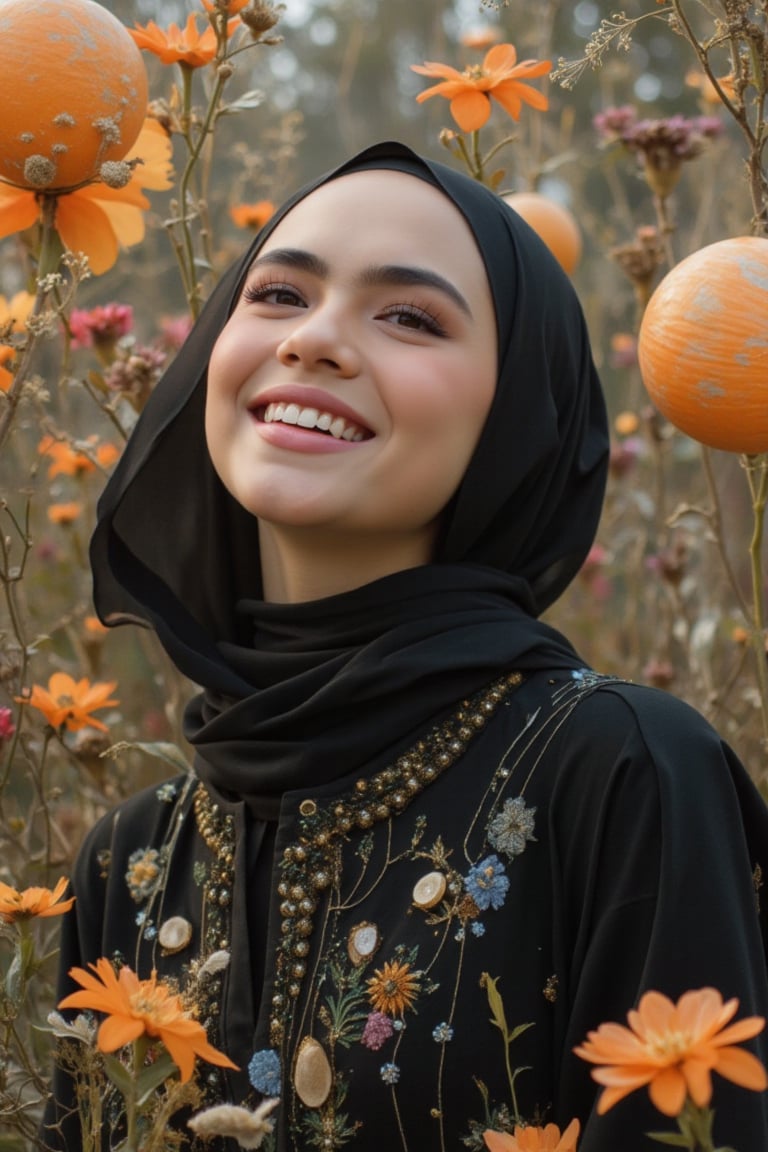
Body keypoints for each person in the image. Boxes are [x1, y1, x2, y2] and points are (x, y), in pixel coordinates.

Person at [47, 141, 768, 1152]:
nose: (318, 340)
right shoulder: (129, 856)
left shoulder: (620, 772)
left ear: (517, 415)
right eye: (279, 294)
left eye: (410, 317)